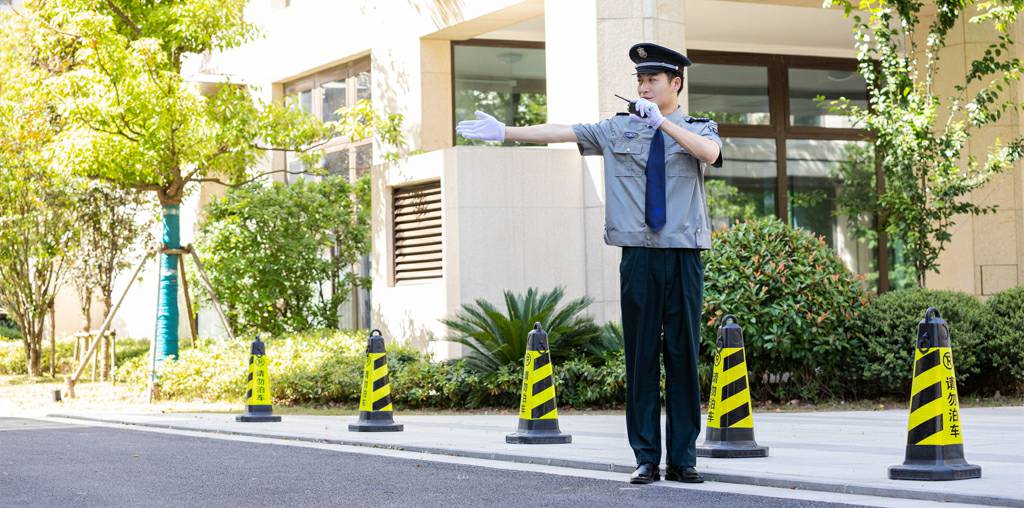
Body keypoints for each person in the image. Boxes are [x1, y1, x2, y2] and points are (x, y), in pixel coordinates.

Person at [456, 42, 722, 485]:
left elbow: (709, 154)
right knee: (640, 357)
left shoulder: (698, 127)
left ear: (676, 83)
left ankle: (683, 458)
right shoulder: (617, 129)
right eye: (640, 80)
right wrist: (506, 131)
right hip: (637, 254)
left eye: (653, 80)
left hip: (684, 254)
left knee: (682, 355)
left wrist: (663, 125)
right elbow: (563, 131)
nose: (644, 87)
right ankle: (645, 457)